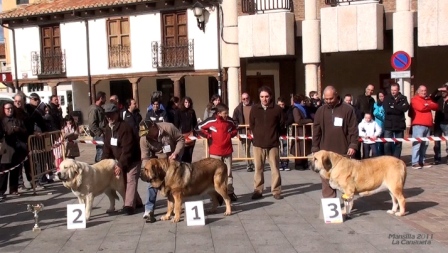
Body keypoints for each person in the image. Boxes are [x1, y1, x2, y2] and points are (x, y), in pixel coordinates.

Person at [312, 86, 358, 198]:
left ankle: (346, 208)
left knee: (345, 183)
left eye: (331, 99)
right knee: (327, 183)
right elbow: (316, 131)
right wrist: (315, 148)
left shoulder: (348, 109)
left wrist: (353, 145)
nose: (328, 101)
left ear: (336, 95)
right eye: (326, 99)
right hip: (325, 154)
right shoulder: (320, 111)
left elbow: (353, 129)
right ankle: (330, 210)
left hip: (343, 152)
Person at [139, 119, 185, 222]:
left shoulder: (169, 127)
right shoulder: (144, 139)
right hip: (158, 164)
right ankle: (149, 210)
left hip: (172, 159)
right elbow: (145, 157)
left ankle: (175, 207)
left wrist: (176, 153)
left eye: (147, 132)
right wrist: (147, 172)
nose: (146, 135)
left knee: (175, 186)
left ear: (154, 127)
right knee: (152, 184)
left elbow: (181, 139)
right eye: (144, 133)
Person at [102, 104, 143, 215]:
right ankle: (138, 202)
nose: (109, 117)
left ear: (117, 114)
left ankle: (129, 206)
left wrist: (120, 165)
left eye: (111, 115)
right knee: (123, 179)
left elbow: (127, 149)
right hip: (121, 158)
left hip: (133, 158)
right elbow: (106, 149)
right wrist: (103, 164)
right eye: (107, 115)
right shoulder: (107, 129)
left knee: (130, 179)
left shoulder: (125, 128)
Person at [249, 86, 284, 200]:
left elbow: (281, 125)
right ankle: (258, 190)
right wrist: (258, 135)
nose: (264, 99)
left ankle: (276, 190)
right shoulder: (254, 109)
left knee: (275, 168)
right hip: (258, 144)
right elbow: (252, 124)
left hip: (273, 143)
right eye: (262, 97)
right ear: (259, 97)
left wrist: (274, 135)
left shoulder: (277, 109)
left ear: (271, 97)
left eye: (267, 96)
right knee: (258, 168)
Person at [197, 104, 238, 201]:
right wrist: (208, 135)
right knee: (214, 174)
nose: (226, 115)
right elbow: (198, 127)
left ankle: (230, 192)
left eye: (227, 113)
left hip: (227, 151)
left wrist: (230, 134)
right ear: (218, 113)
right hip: (215, 152)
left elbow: (236, 127)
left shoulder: (229, 120)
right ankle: (216, 194)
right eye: (225, 113)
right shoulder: (211, 121)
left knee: (228, 173)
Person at [1, 102, 27, 196]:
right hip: (6, 149)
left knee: (15, 171)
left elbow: (25, 131)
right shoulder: (2, 121)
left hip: (17, 148)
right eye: (7, 109)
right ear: (4, 110)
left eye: (11, 108)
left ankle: (13, 189)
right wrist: (11, 131)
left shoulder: (17, 120)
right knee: (4, 172)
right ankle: (1, 191)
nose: (10, 110)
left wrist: (19, 129)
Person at [409, 85, 438, 169]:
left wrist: (427, 104)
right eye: (422, 90)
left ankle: (423, 161)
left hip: (428, 125)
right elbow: (420, 107)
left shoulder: (428, 99)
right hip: (418, 125)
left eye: (425, 90)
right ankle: (415, 162)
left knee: (425, 144)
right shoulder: (415, 99)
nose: (424, 92)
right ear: (418, 91)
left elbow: (435, 106)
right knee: (417, 144)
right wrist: (429, 105)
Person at [383, 83, 410, 159]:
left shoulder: (403, 98)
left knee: (398, 143)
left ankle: (396, 159)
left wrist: (394, 106)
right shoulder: (387, 98)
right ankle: (388, 159)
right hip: (389, 124)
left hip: (399, 124)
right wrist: (398, 108)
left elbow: (405, 109)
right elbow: (387, 110)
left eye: (395, 90)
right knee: (387, 143)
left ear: (398, 90)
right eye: (392, 90)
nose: (393, 92)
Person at [288, 94, 313, 170]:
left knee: (304, 148)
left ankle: (304, 162)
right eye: (303, 101)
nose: (305, 102)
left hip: (304, 131)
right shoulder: (296, 109)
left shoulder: (303, 108)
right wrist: (310, 120)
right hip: (299, 131)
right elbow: (298, 120)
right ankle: (299, 164)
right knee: (299, 148)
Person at [232, 93, 254, 172]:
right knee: (246, 149)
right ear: (241, 99)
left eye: (247, 98)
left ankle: (258, 164)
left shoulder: (255, 107)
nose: (245, 100)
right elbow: (234, 120)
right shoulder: (238, 109)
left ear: (249, 98)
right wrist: (238, 127)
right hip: (244, 132)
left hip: (254, 132)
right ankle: (249, 165)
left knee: (257, 149)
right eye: (243, 99)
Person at [176, 97, 197, 163]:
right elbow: (176, 124)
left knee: (190, 154)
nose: (187, 104)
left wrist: (195, 133)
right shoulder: (178, 112)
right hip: (182, 135)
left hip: (191, 134)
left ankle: (189, 167)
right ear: (183, 103)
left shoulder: (192, 112)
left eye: (189, 102)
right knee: (183, 154)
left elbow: (195, 123)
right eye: (186, 102)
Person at [431, 83, 448, 165]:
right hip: (438, 123)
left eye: (445, 91)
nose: (443, 92)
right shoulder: (439, 98)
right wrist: (438, 89)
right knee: (437, 142)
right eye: (442, 91)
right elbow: (431, 97)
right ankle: (437, 158)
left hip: (447, 124)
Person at [88, 91, 106, 163]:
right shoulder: (94, 109)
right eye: (105, 98)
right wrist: (99, 133)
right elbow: (92, 124)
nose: (106, 100)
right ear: (101, 98)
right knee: (100, 153)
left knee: (102, 152)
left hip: (103, 133)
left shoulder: (100, 108)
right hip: (98, 135)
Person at [277, 97, 290, 171]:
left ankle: (285, 162)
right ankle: (279, 163)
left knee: (285, 147)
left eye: (282, 105)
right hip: (276, 131)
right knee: (277, 148)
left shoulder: (288, 110)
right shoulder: (275, 110)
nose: (281, 106)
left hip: (285, 131)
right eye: (280, 105)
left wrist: (285, 123)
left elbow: (290, 118)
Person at [373, 90, 386, 156]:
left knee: (384, 141)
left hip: (385, 125)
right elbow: (375, 113)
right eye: (380, 96)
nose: (381, 98)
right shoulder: (376, 104)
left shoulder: (386, 104)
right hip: (379, 124)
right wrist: (383, 117)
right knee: (378, 142)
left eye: (382, 96)